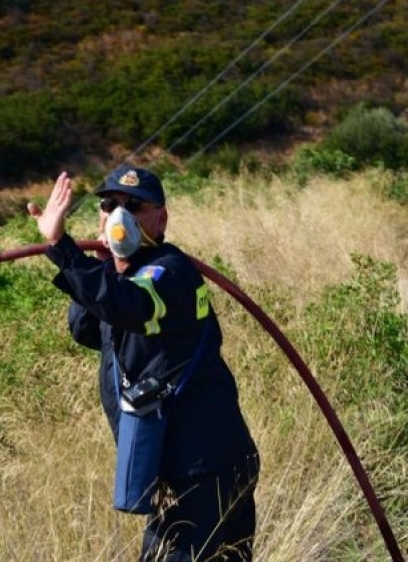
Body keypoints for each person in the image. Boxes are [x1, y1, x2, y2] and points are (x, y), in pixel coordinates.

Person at [27, 166, 260, 561]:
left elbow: (130, 305)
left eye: (134, 206)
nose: (119, 214)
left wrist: (60, 246)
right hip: (183, 470)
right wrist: (105, 265)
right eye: (109, 205)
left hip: (206, 469)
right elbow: (86, 327)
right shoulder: (125, 278)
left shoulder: (169, 272)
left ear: (161, 217)